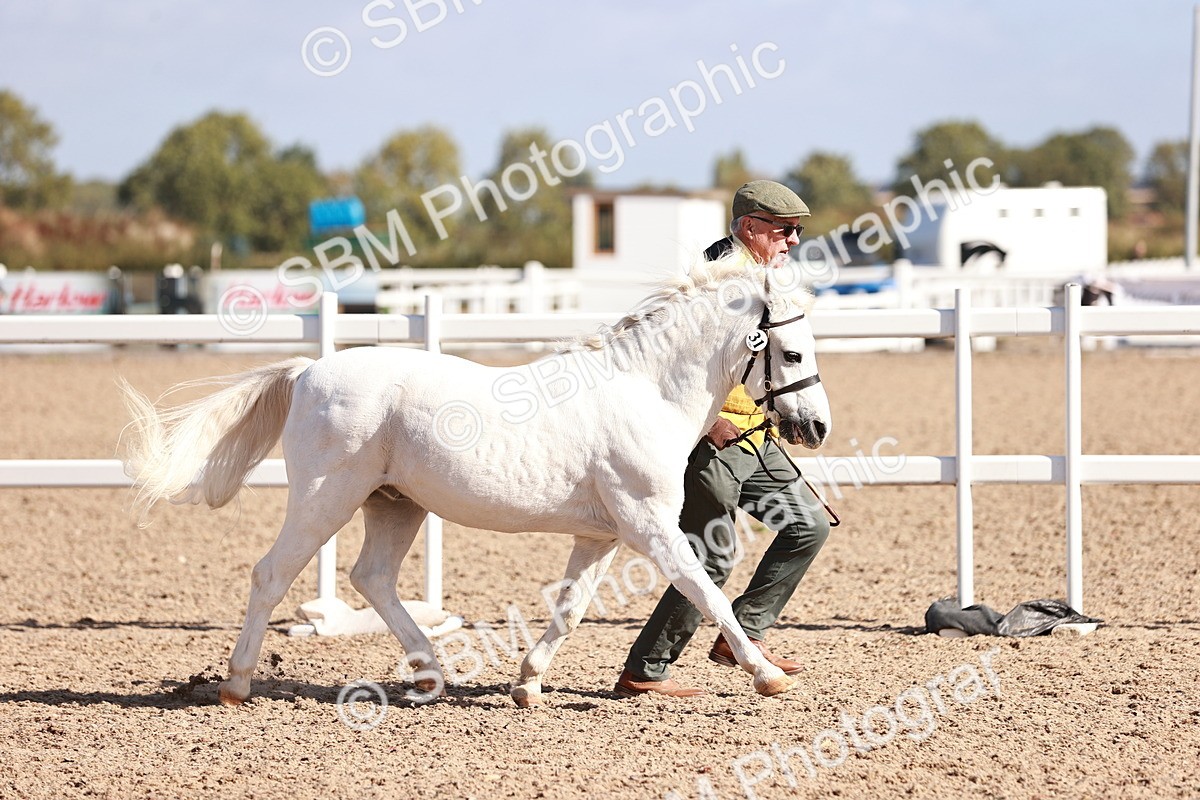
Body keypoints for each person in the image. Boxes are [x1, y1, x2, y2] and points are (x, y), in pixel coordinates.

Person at [614, 180, 831, 698]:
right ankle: (645, 670)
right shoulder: (714, 280)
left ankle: (742, 636)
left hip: (754, 435)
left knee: (808, 525)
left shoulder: (766, 278)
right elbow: (671, 359)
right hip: (712, 442)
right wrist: (708, 421)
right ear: (750, 227)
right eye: (785, 230)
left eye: (797, 230)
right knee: (712, 555)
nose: (794, 240)